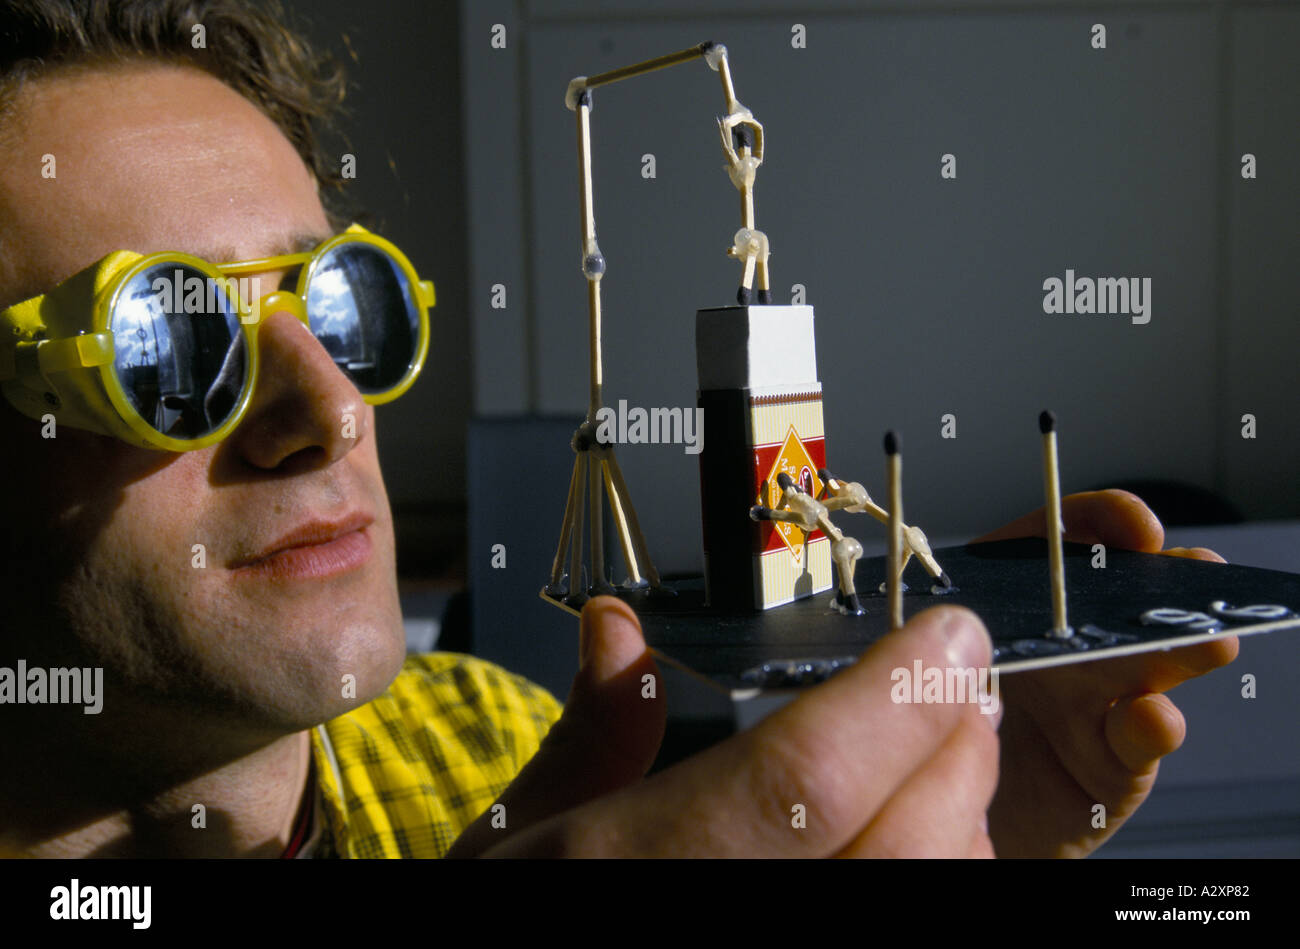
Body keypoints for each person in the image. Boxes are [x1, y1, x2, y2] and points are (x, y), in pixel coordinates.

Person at [0, 0, 1235, 859]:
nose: (329, 411)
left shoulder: (489, 741)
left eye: (344, 307)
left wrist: (939, 826)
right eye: (165, 344)